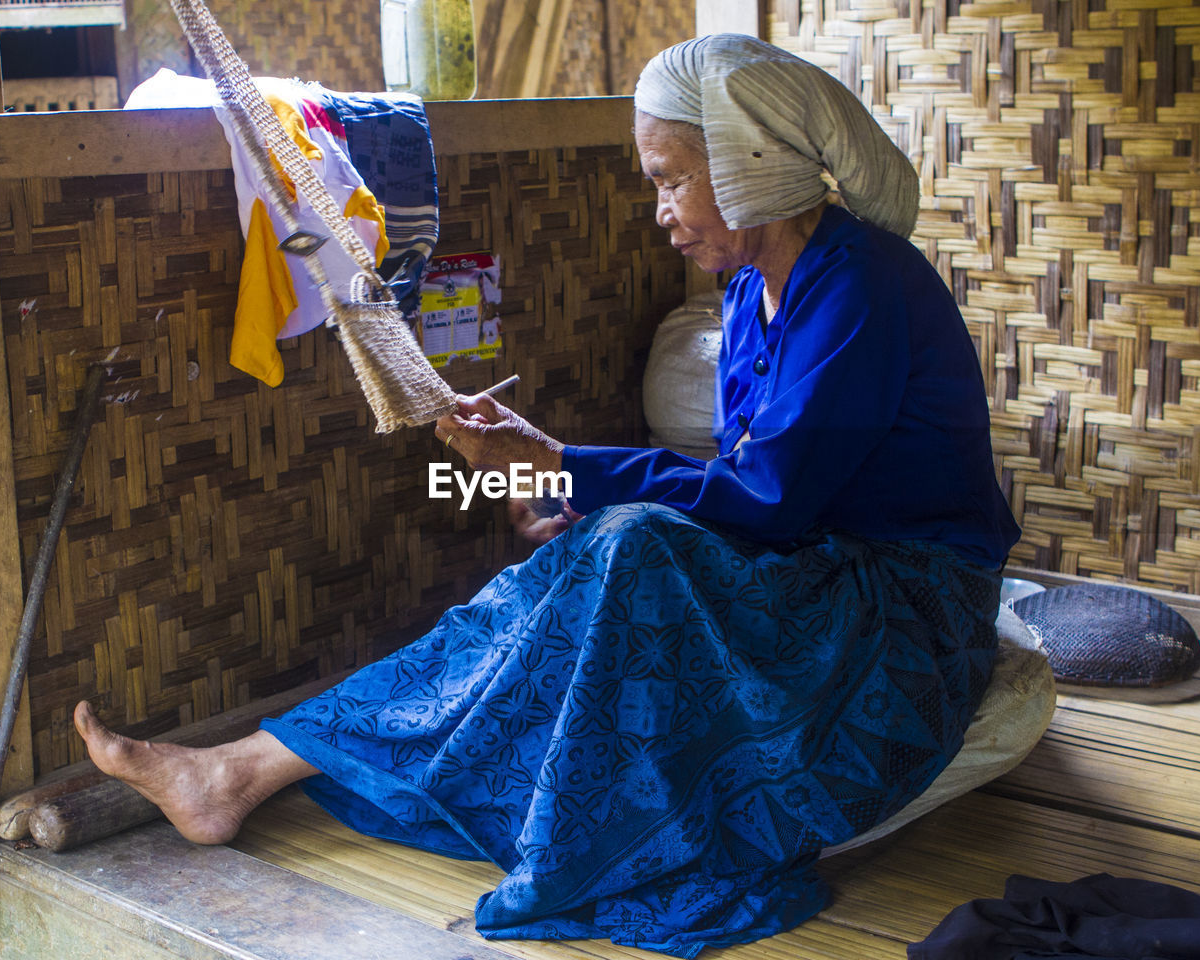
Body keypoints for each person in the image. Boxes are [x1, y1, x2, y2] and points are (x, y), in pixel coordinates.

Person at [75, 34, 1020, 958]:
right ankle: (241, 769)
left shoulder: (862, 287)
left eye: (670, 178)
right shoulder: (747, 289)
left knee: (629, 545)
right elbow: (753, 486)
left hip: (906, 611)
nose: (658, 210)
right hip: (815, 575)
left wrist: (557, 459)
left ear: (752, 163)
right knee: (602, 550)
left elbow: (770, 498)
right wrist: (572, 490)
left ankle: (240, 770)